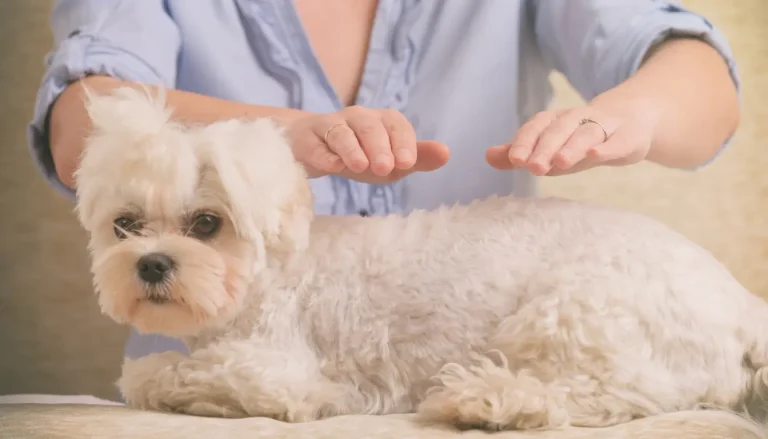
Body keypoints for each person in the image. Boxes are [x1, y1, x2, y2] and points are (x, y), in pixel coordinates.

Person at [29, 1, 740, 360]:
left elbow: (704, 85)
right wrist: (279, 140)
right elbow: (78, 126)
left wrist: (638, 113)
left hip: (480, 390)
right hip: (216, 397)